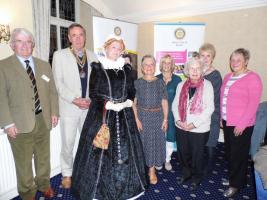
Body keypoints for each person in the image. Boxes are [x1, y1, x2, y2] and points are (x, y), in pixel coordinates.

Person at [71, 35, 147, 200]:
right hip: (104, 115)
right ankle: (98, 191)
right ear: (106, 49)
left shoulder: (126, 69)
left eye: (119, 48)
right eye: (113, 47)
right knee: (100, 152)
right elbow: (94, 93)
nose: (117, 51)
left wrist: (127, 102)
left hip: (125, 115)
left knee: (129, 151)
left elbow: (131, 91)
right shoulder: (98, 68)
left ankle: (129, 188)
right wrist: (108, 104)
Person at [0, 28, 59, 200]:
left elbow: (52, 92)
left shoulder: (43, 65)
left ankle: (44, 185)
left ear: (33, 45)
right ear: (12, 45)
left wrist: (54, 112)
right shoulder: (3, 66)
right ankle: (27, 193)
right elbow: (1, 97)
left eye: (28, 42)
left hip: (43, 119)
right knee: (23, 162)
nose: (25, 45)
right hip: (18, 123)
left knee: (43, 157)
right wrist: (7, 123)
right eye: (20, 41)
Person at [52, 23, 97, 189]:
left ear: (85, 37)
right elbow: (58, 83)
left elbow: (96, 82)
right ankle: (67, 174)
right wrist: (75, 99)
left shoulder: (93, 56)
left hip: (88, 108)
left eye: (81, 35)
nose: (78, 38)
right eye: (74, 35)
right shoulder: (59, 55)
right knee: (68, 144)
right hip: (69, 108)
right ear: (69, 38)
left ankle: (86, 171)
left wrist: (90, 99)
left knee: (88, 142)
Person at [220, 48, 262, 198]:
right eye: (232, 59)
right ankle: (237, 179)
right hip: (227, 121)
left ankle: (235, 185)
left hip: (241, 124)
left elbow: (253, 104)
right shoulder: (227, 77)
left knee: (238, 155)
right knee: (231, 153)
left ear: (246, 61)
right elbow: (223, 98)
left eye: (238, 60)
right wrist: (221, 117)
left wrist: (243, 124)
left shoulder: (253, 78)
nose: (235, 62)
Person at [172, 57, 214, 191]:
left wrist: (194, 124)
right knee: (183, 153)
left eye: (197, 68)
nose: (195, 71)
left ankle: (197, 178)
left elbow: (209, 108)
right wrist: (178, 121)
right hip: (181, 126)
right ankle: (186, 173)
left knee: (197, 155)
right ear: (187, 71)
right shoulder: (181, 85)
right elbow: (174, 105)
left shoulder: (207, 85)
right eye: (192, 68)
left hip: (199, 128)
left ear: (202, 70)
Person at [133, 55, 168, 184]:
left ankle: (152, 171)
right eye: (146, 65)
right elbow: (133, 103)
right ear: (142, 68)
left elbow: (164, 101)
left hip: (157, 117)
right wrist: (136, 119)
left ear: (155, 67)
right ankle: (142, 169)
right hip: (142, 117)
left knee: (153, 144)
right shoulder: (137, 83)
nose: (149, 67)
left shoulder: (160, 82)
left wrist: (165, 119)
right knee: (142, 143)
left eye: (151, 64)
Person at [199, 43, 222, 174]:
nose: (205, 58)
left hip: (212, 113)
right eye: (203, 55)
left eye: (208, 56)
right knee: (200, 141)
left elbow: (215, 97)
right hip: (198, 114)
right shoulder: (197, 72)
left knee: (210, 142)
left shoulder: (215, 75)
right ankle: (199, 164)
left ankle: (209, 168)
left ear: (212, 58)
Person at [156, 54, 182, 171]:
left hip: (172, 114)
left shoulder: (178, 80)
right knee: (158, 138)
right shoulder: (156, 78)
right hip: (157, 114)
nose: (166, 65)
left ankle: (167, 160)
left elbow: (181, 99)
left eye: (169, 63)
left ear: (172, 65)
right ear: (161, 65)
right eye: (164, 62)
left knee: (170, 138)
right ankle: (158, 159)